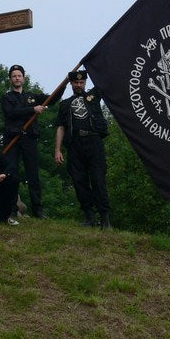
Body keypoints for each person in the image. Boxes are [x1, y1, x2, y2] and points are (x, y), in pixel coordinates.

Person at [54, 70, 111, 229]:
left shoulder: (93, 96)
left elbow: (104, 79)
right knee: (79, 181)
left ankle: (105, 218)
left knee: (98, 180)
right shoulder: (65, 104)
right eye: (76, 82)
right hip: (75, 145)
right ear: (71, 84)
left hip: (94, 142)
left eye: (81, 82)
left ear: (85, 83)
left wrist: (93, 66)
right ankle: (89, 217)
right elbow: (60, 127)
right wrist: (57, 150)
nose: (79, 85)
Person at [1, 64, 53, 218]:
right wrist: (32, 109)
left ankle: (38, 210)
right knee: (11, 174)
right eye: (14, 76)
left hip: (29, 139)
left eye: (19, 75)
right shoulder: (7, 98)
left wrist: (65, 84)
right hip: (13, 139)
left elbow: (52, 99)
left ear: (23, 78)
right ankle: (11, 209)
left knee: (33, 174)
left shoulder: (32, 96)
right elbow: (10, 113)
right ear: (10, 79)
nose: (17, 78)